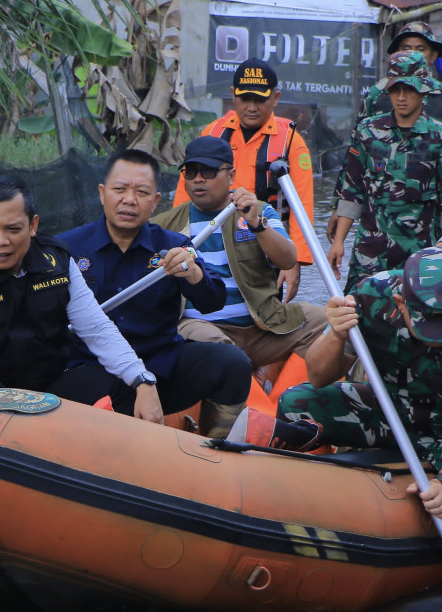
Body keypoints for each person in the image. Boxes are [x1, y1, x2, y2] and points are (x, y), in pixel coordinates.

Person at [277, 247, 442, 587]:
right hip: (391, 412)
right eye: (430, 325)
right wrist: (337, 334)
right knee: (297, 403)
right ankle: (304, 490)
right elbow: (320, 376)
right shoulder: (370, 297)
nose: (440, 338)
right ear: (401, 303)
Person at [0, 176, 164, 423]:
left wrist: (141, 379)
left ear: (32, 225)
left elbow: (96, 328)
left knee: (121, 385)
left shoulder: (59, 262)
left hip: (49, 391)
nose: (0, 241)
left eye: (13, 229)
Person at [58, 149, 252, 436]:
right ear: (102, 193)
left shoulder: (176, 245)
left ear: (155, 201)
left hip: (161, 365)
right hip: (93, 369)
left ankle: (216, 446)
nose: (129, 200)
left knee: (233, 364)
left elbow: (213, 302)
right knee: (96, 386)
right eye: (120, 190)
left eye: (141, 192)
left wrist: (194, 274)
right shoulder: (65, 248)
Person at [151, 137, 327, 369]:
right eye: (191, 172)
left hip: (263, 325)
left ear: (231, 176)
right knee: (219, 349)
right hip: (203, 328)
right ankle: (246, 386)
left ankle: (283, 385)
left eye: (209, 171)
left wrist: (256, 224)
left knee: (331, 318)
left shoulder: (258, 210)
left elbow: (287, 260)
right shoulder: (163, 225)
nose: (199, 179)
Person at [174, 58, 313, 302]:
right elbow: (184, 195)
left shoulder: (291, 143)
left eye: (260, 100)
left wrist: (295, 262)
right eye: (244, 98)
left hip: (265, 242)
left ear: (276, 98)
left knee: (267, 311)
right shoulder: (212, 133)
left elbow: (302, 206)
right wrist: (176, 242)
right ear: (232, 95)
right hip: (212, 242)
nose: (252, 107)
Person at [330, 50, 442, 289]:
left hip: (420, 252)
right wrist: (338, 242)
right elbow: (352, 190)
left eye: (409, 90)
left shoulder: (441, 137)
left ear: (423, 91)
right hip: (370, 251)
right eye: (395, 90)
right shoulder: (368, 132)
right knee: (355, 313)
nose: (401, 97)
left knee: (415, 317)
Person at [360, 22, 442, 171]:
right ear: (396, 54)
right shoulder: (376, 94)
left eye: (420, 49)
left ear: (433, 55)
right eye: (406, 49)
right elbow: (358, 148)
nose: (413, 54)